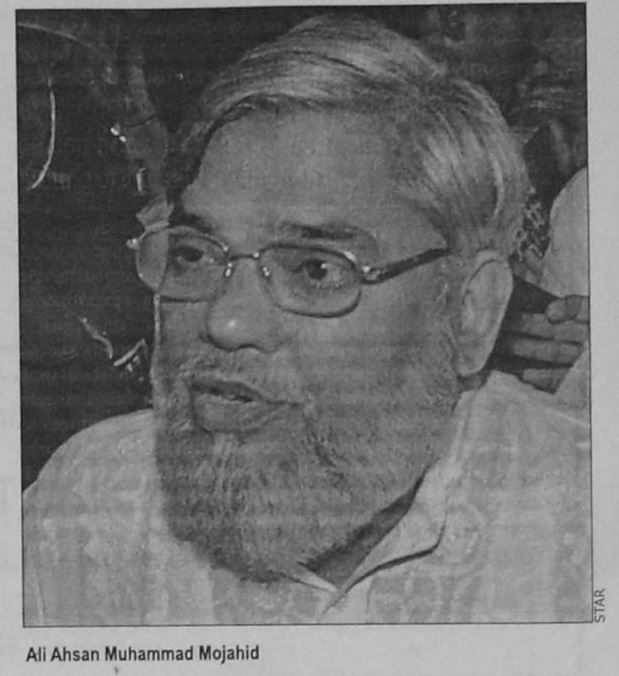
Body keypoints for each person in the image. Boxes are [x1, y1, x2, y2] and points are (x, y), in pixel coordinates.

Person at [23, 15, 590, 625]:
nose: (227, 321)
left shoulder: (583, 526)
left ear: (469, 312)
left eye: (316, 269)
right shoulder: (91, 501)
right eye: (194, 254)